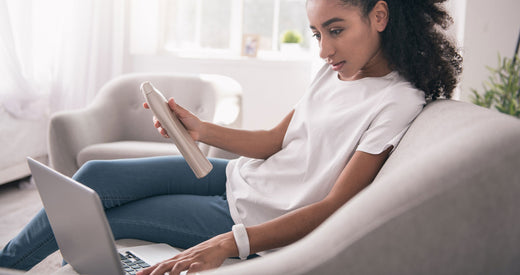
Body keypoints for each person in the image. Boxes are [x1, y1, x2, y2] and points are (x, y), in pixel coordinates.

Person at [0, 0, 462, 274]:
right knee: (96, 174)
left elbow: (333, 208)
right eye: (317, 33)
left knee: (114, 218)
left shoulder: (398, 102)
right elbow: (273, 141)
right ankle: (10, 257)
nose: (324, 49)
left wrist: (232, 243)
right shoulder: (332, 73)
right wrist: (198, 129)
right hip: (239, 177)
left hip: (249, 216)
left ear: (379, 15)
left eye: (336, 31)